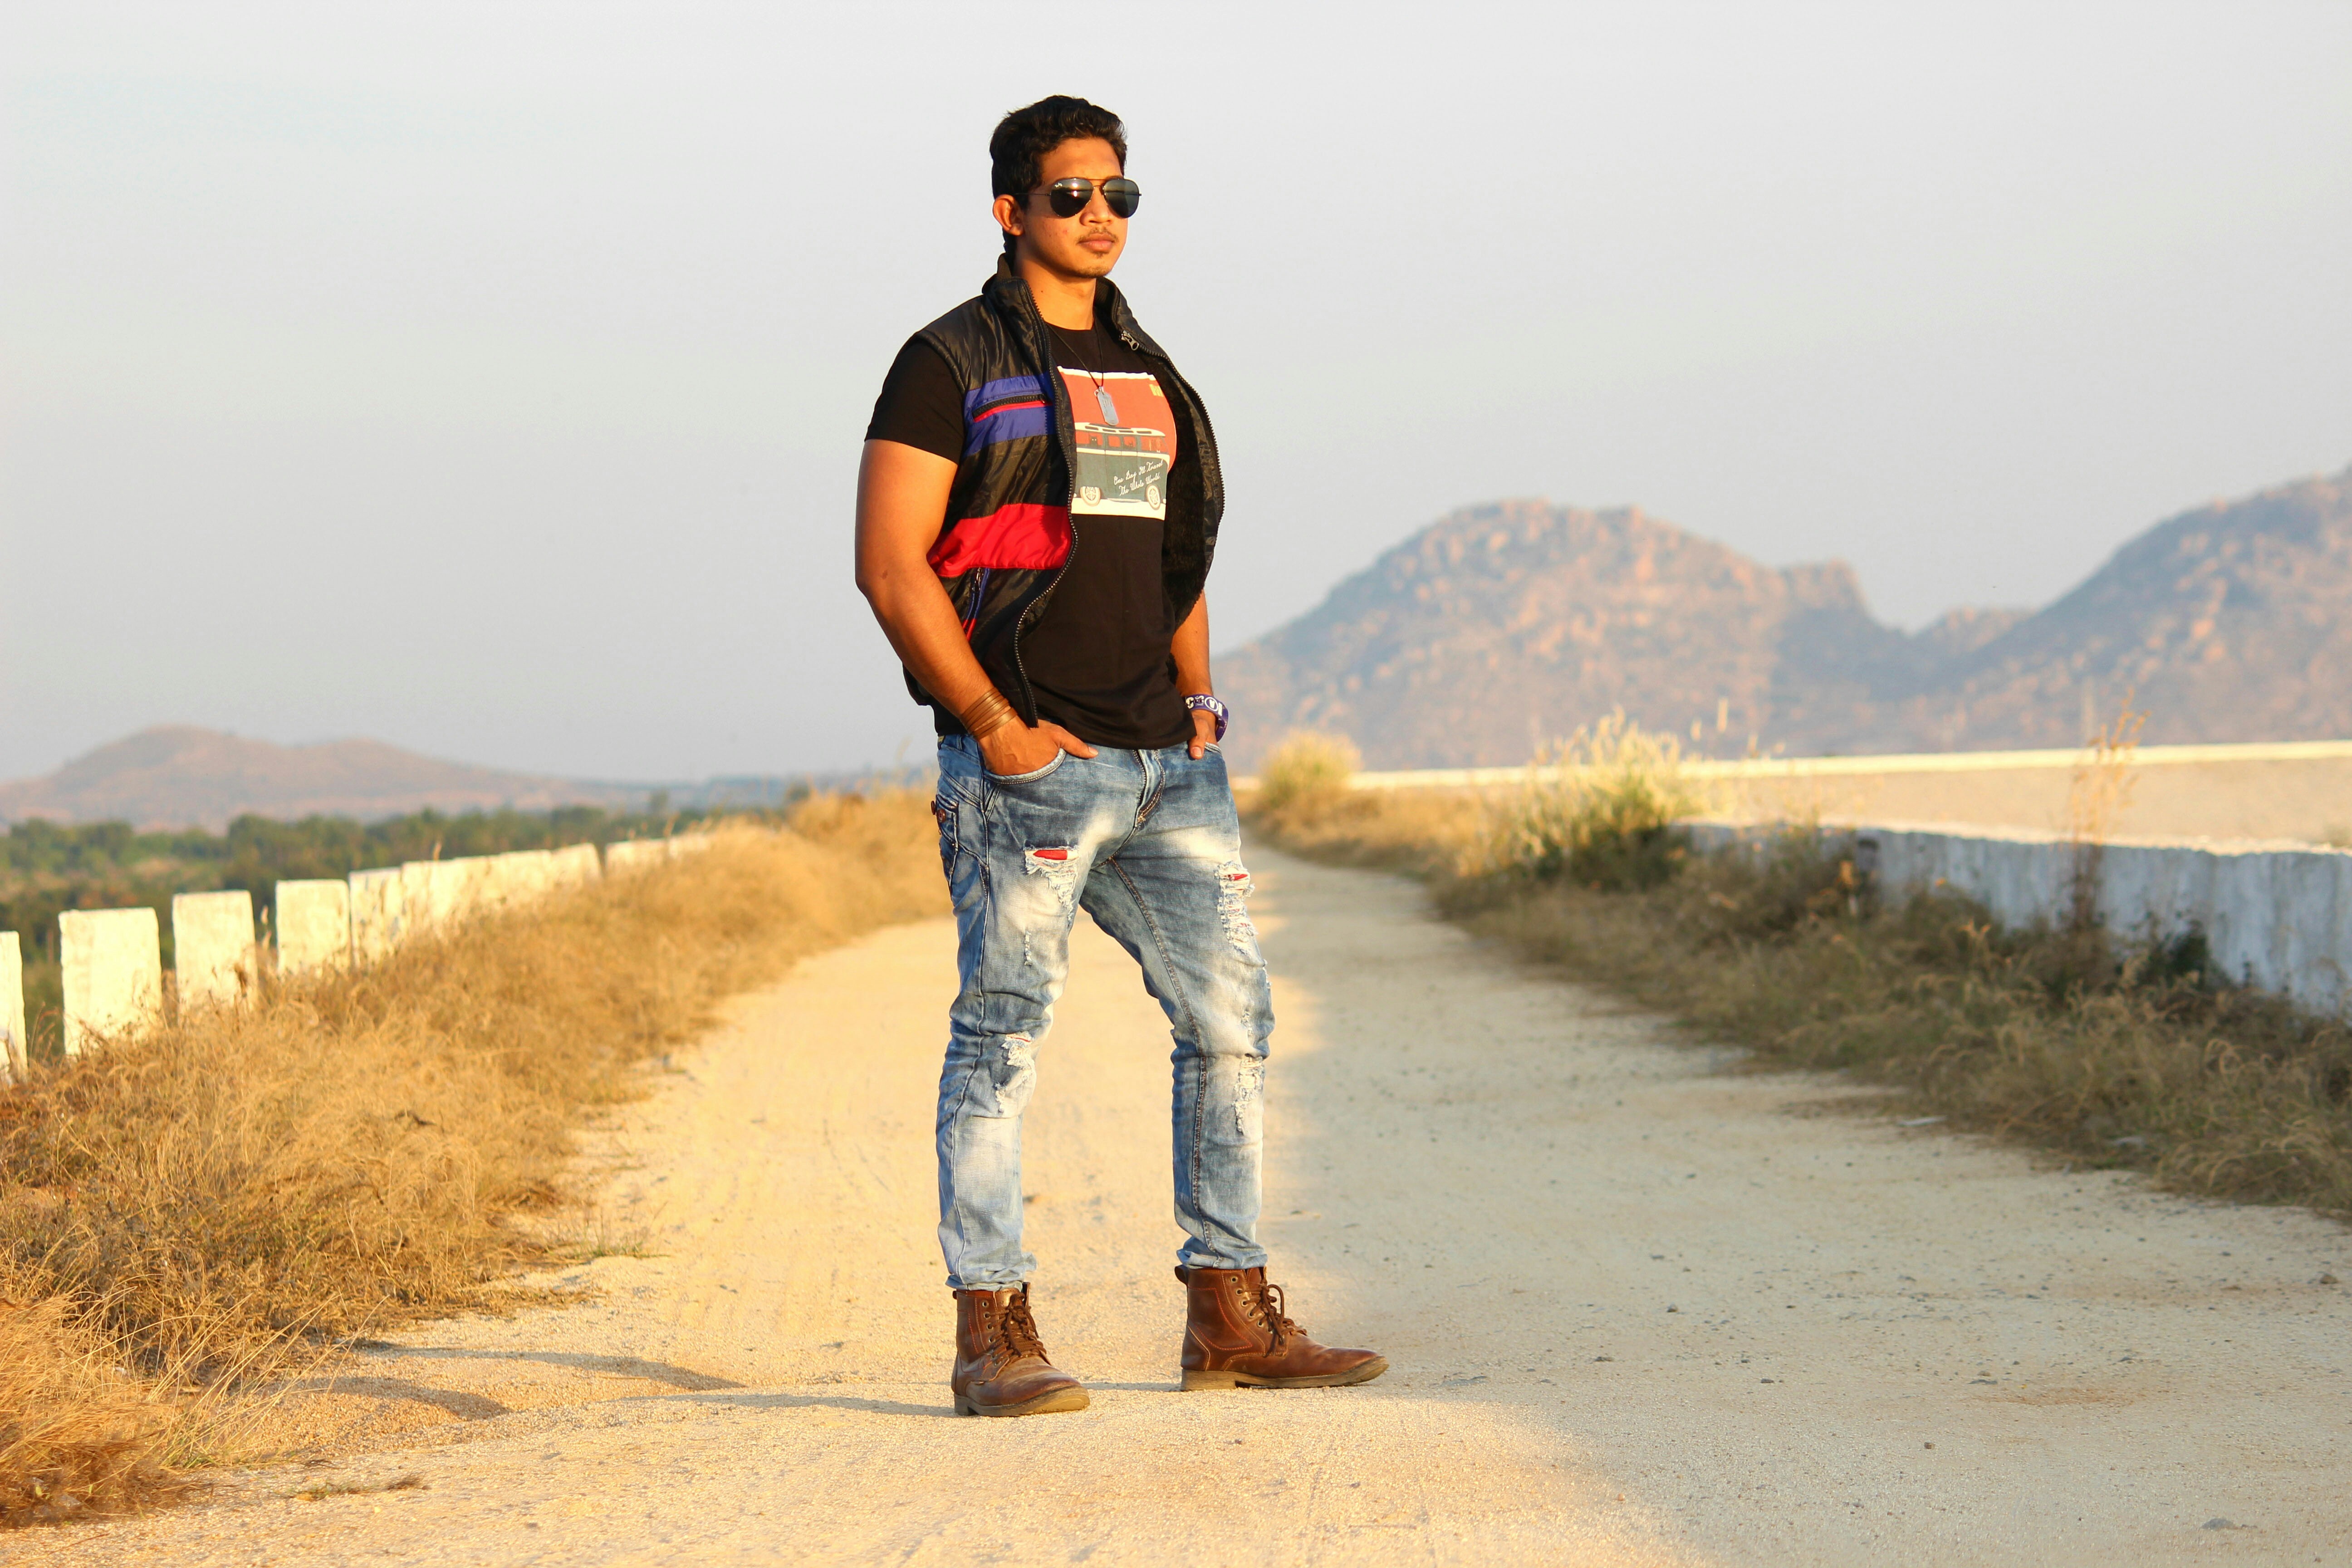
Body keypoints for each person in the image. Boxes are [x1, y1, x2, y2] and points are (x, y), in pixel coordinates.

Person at [854, 95, 1387, 1417]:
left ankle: (1230, 1314)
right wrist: (995, 727)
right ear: (1010, 211)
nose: (1101, 217)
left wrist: (1200, 701)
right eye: (1072, 195)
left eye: (1119, 196)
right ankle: (993, 1335)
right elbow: (890, 566)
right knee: (1002, 1037)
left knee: (1232, 1025)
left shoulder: (1150, 372)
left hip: (1169, 767)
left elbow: (1174, 555)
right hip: (1031, 763)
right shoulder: (948, 361)